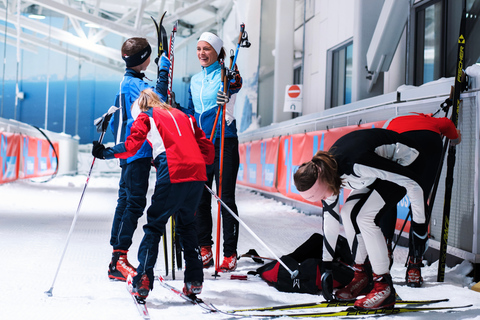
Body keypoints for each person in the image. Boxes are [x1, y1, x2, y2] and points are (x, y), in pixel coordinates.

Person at [92, 88, 215, 299]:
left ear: (139, 107)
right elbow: (208, 151)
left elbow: (131, 147)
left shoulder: (145, 117)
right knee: (187, 227)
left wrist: (104, 152)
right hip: (196, 174)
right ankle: (194, 280)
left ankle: (143, 280)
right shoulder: (186, 116)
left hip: (173, 171)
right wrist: (193, 165)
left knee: (154, 226)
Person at [293, 128, 428, 310]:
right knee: (348, 212)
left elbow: (413, 183)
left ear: (322, 183)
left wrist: (419, 227)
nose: (324, 200)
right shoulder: (326, 173)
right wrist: (327, 267)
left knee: (365, 216)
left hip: (408, 163)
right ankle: (362, 276)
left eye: (321, 196)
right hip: (379, 169)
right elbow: (330, 221)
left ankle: (384, 287)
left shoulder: (355, 163)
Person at [107, 37, 170, 282]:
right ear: (143, 60)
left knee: (126, 201)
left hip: (130, 151)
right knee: (133, 203)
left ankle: (117, 258)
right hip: (136, 151)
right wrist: (163, 70)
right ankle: (118, 259)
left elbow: (116, 120)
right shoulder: (133, 85)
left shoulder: (128, 82)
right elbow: (158, 100)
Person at [179, 32, 243, 272]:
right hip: (202, 142)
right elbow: (191, 111)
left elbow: (237, 83)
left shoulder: (227, 74)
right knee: (201, 196)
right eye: (198, 49)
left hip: (224, 139)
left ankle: (230, 253)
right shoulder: (195, 81)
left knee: (225, 198)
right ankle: (204, 247)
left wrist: (229, 91)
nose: (202, 53)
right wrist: (175, 106)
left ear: (217, 52)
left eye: (206, 49)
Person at [380, 112, 461, 287]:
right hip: (428, 142)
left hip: (398, 143)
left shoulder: (391, 120)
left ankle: (385, 250)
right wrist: (455, 138)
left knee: (389, 199)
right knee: (419, 200)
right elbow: (447, 124)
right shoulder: (429, 119)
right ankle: (415, 266)